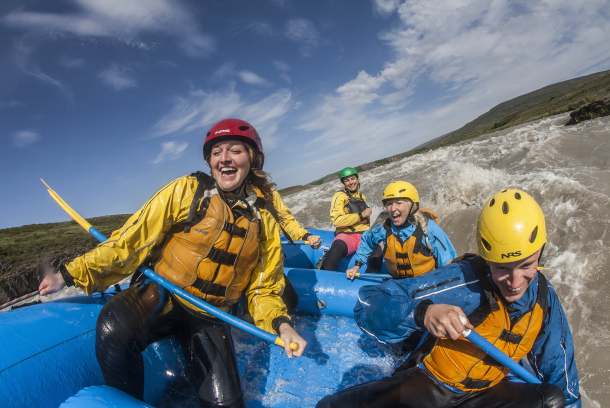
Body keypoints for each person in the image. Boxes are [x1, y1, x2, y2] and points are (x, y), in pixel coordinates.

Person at [39, 118, 308, 408]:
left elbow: (262, 289)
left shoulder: (264, 219)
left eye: (235, 151)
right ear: (209, 161)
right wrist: (68, 275)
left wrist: (282, 325)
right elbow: (130, 242)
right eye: (217, 152)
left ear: (252, 159)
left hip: (211, 312)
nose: (225, 159)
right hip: (162, 291)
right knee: (113, 324)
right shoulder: (187, 190)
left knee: (227, 404)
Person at [317, 189, 580, 408]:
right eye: (501, 269)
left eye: (526, 266)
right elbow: (368, 300)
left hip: (484, 395)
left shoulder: (544, 298)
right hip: (434, 386)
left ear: (541, 252)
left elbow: (561, 369)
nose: (514, 283)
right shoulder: (464, 280)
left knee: (552, 399)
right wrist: (423, 313)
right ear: (488, 261)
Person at [345, 181, 456, 280]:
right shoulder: (384, 227)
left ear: (411, 205)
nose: (393, 209)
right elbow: (367, 241)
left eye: (399, 203)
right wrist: (357, 265)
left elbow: (448, 262)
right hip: (398, 282)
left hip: (427, 282)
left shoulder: (428, 228)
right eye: (389, 204)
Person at [320, 167, 372, 271]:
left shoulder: (362, 197)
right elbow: (337, 220)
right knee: (337, 247)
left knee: (377, 254)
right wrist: (361, 215)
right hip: (347, 235)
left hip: (363, 236)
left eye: (353, 179)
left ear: (357, 179)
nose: (351, 182)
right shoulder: (339, 196)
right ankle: (324, 274)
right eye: (347, 180)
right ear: (343, 183)